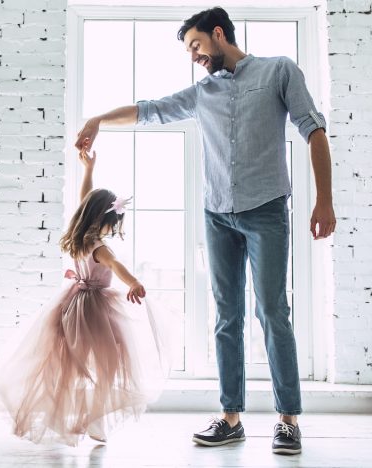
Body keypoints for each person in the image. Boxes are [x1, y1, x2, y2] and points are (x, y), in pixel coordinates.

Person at [75, 6, 335, 456]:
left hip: (267, 210)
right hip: (217, 215)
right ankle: (231, 418)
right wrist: (99, 119)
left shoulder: (278, 71)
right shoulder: (204, 92)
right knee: (226, 316)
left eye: (196, 45)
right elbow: (151, 111)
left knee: (273, 311)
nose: (193, 55)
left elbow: (314, 131)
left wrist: (324, 199)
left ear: (218, 34)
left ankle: (288, 421)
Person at [0, 144, 168, 446]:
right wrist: (133, 281)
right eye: (113, 222)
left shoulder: (81, 237)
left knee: (72, 363)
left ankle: (78, 415)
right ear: (104, 219)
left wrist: (89, 170)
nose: (113, 228)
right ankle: (95, 417)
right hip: (94, 308)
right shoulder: (100, 246)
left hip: (72, 303)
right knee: (110, 360)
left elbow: (86, 199)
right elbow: (116, 265)